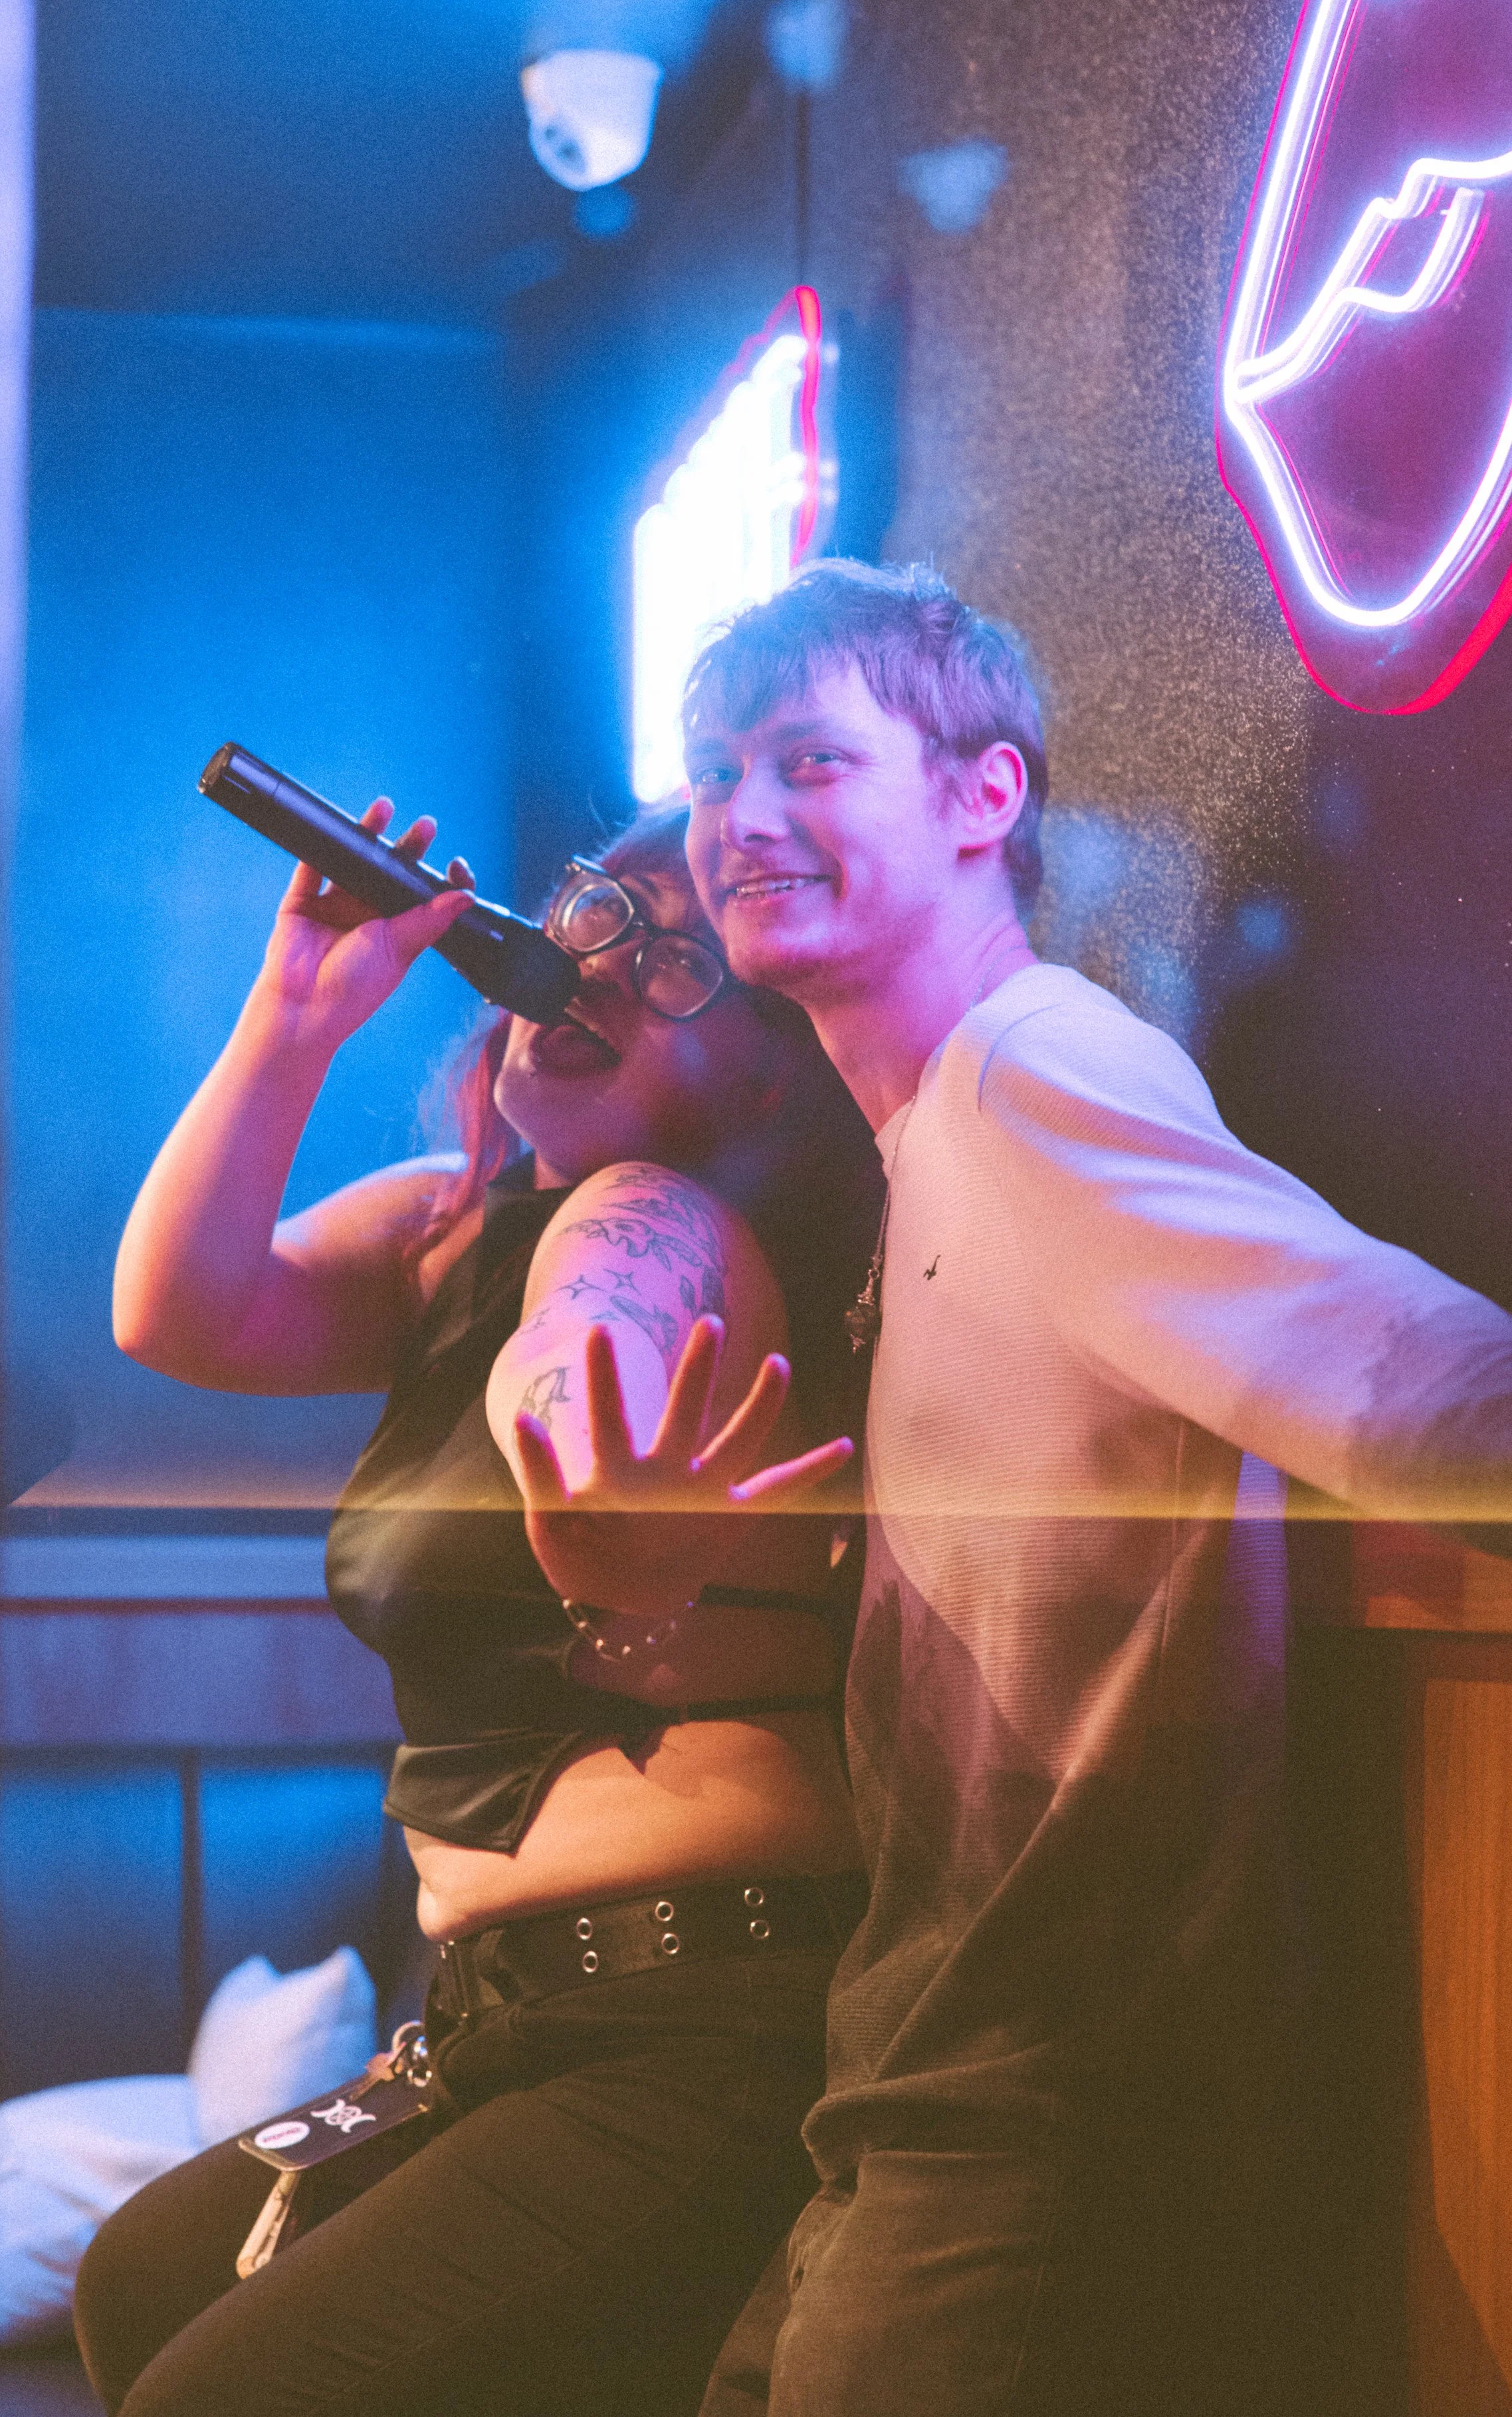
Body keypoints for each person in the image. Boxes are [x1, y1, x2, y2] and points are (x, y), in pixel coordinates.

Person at [513, 558, 1512, 2417]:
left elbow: (1431, 1383)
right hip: (926, 2083)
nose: (740, 815)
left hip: (1049, 2111)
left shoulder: (1037, 1075)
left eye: (809, 758)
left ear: (986, 797)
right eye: (717, 768)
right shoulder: (933, 1125)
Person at [72, 798, 883, 2417]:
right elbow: (175, 1307)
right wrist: (293, 1012)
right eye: (591, 913)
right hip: (504, 2011)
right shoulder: (450, 1231)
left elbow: (588, 1336)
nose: (589, 965)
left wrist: (570, 1455)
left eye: (670, 961)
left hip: (696, 2027)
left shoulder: (672, 1217)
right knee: (141, 2274)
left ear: (777, 1062)